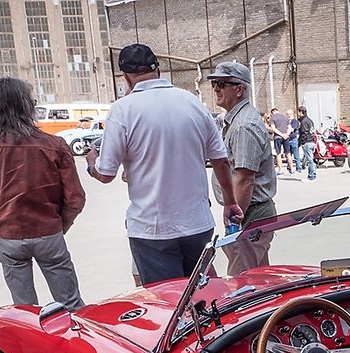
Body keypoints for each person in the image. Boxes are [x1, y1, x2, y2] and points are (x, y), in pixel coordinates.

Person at [86, 44, 238, 286]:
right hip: (197, 226)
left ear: (125, 77)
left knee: (168, 303)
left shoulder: (122, 110)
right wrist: (230, 202)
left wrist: (91, 163)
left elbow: (105, 174)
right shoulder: (192, 103)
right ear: (158, 70)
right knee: (201, 296)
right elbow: (220, 160)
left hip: (152, 231)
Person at [0, 77, 86, 309]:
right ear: (28, 106)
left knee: (25, 310)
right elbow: (75, 198)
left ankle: (34, 344)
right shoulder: (54, 145)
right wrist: (61, 225)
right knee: (71, 304)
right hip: (49, 232)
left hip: (8, 234)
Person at [207, 61, 277, 275]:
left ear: (239, 89)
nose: (216, 88)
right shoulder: (239, 121)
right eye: (214, 84)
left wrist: (233, 224)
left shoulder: (243, 126)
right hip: (251, 213)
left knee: (243, 283)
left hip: (249, 214)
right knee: (259, 279)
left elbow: (245, 179)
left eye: (222, 83)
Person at [297, 105, 317, 181]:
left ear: (301, 112)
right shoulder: (310, 120)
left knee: (309, 160)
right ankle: (313, 175)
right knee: (311, 159)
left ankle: (311, 176)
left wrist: (302, 142)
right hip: (312, 141)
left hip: (307, 142)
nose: (298, 114)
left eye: (298, 112)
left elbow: (304, 133)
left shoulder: (303, 121)